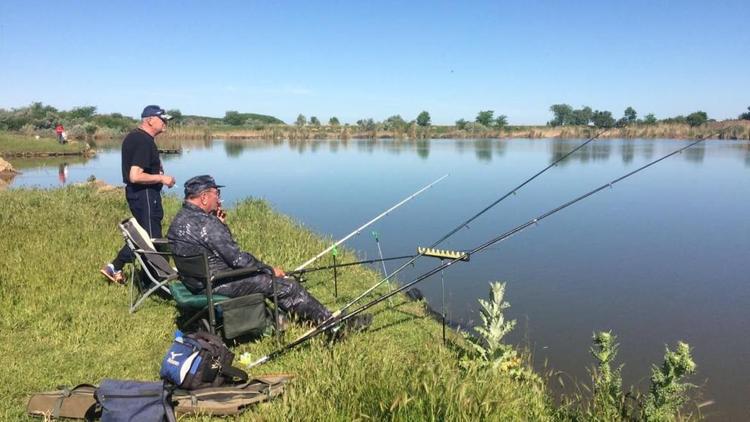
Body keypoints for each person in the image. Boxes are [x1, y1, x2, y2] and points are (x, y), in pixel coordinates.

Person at [167, 175, 372, 330]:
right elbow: (238, 259)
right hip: (218, 283)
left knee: (272, 279)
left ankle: (287, 318)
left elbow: (215, 249)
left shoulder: (179, 219)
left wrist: (221, 224)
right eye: (216, 194)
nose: (219, 200)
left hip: (197, 282)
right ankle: (332, 325)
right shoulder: (207, 224)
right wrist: (268, 269)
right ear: (203, 197)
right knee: (286, 285)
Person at [100, 105, 176, 284]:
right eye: (162, 119)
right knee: (148, 239)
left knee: (144, 235)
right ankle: (118, 268)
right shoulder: (143, 141)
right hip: (145, 195)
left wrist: (155, 168)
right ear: (150, 120)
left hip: (139, 195)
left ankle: (137, 275)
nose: (165, 123)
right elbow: (135, 175)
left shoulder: (135, 137)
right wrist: (162, 178)